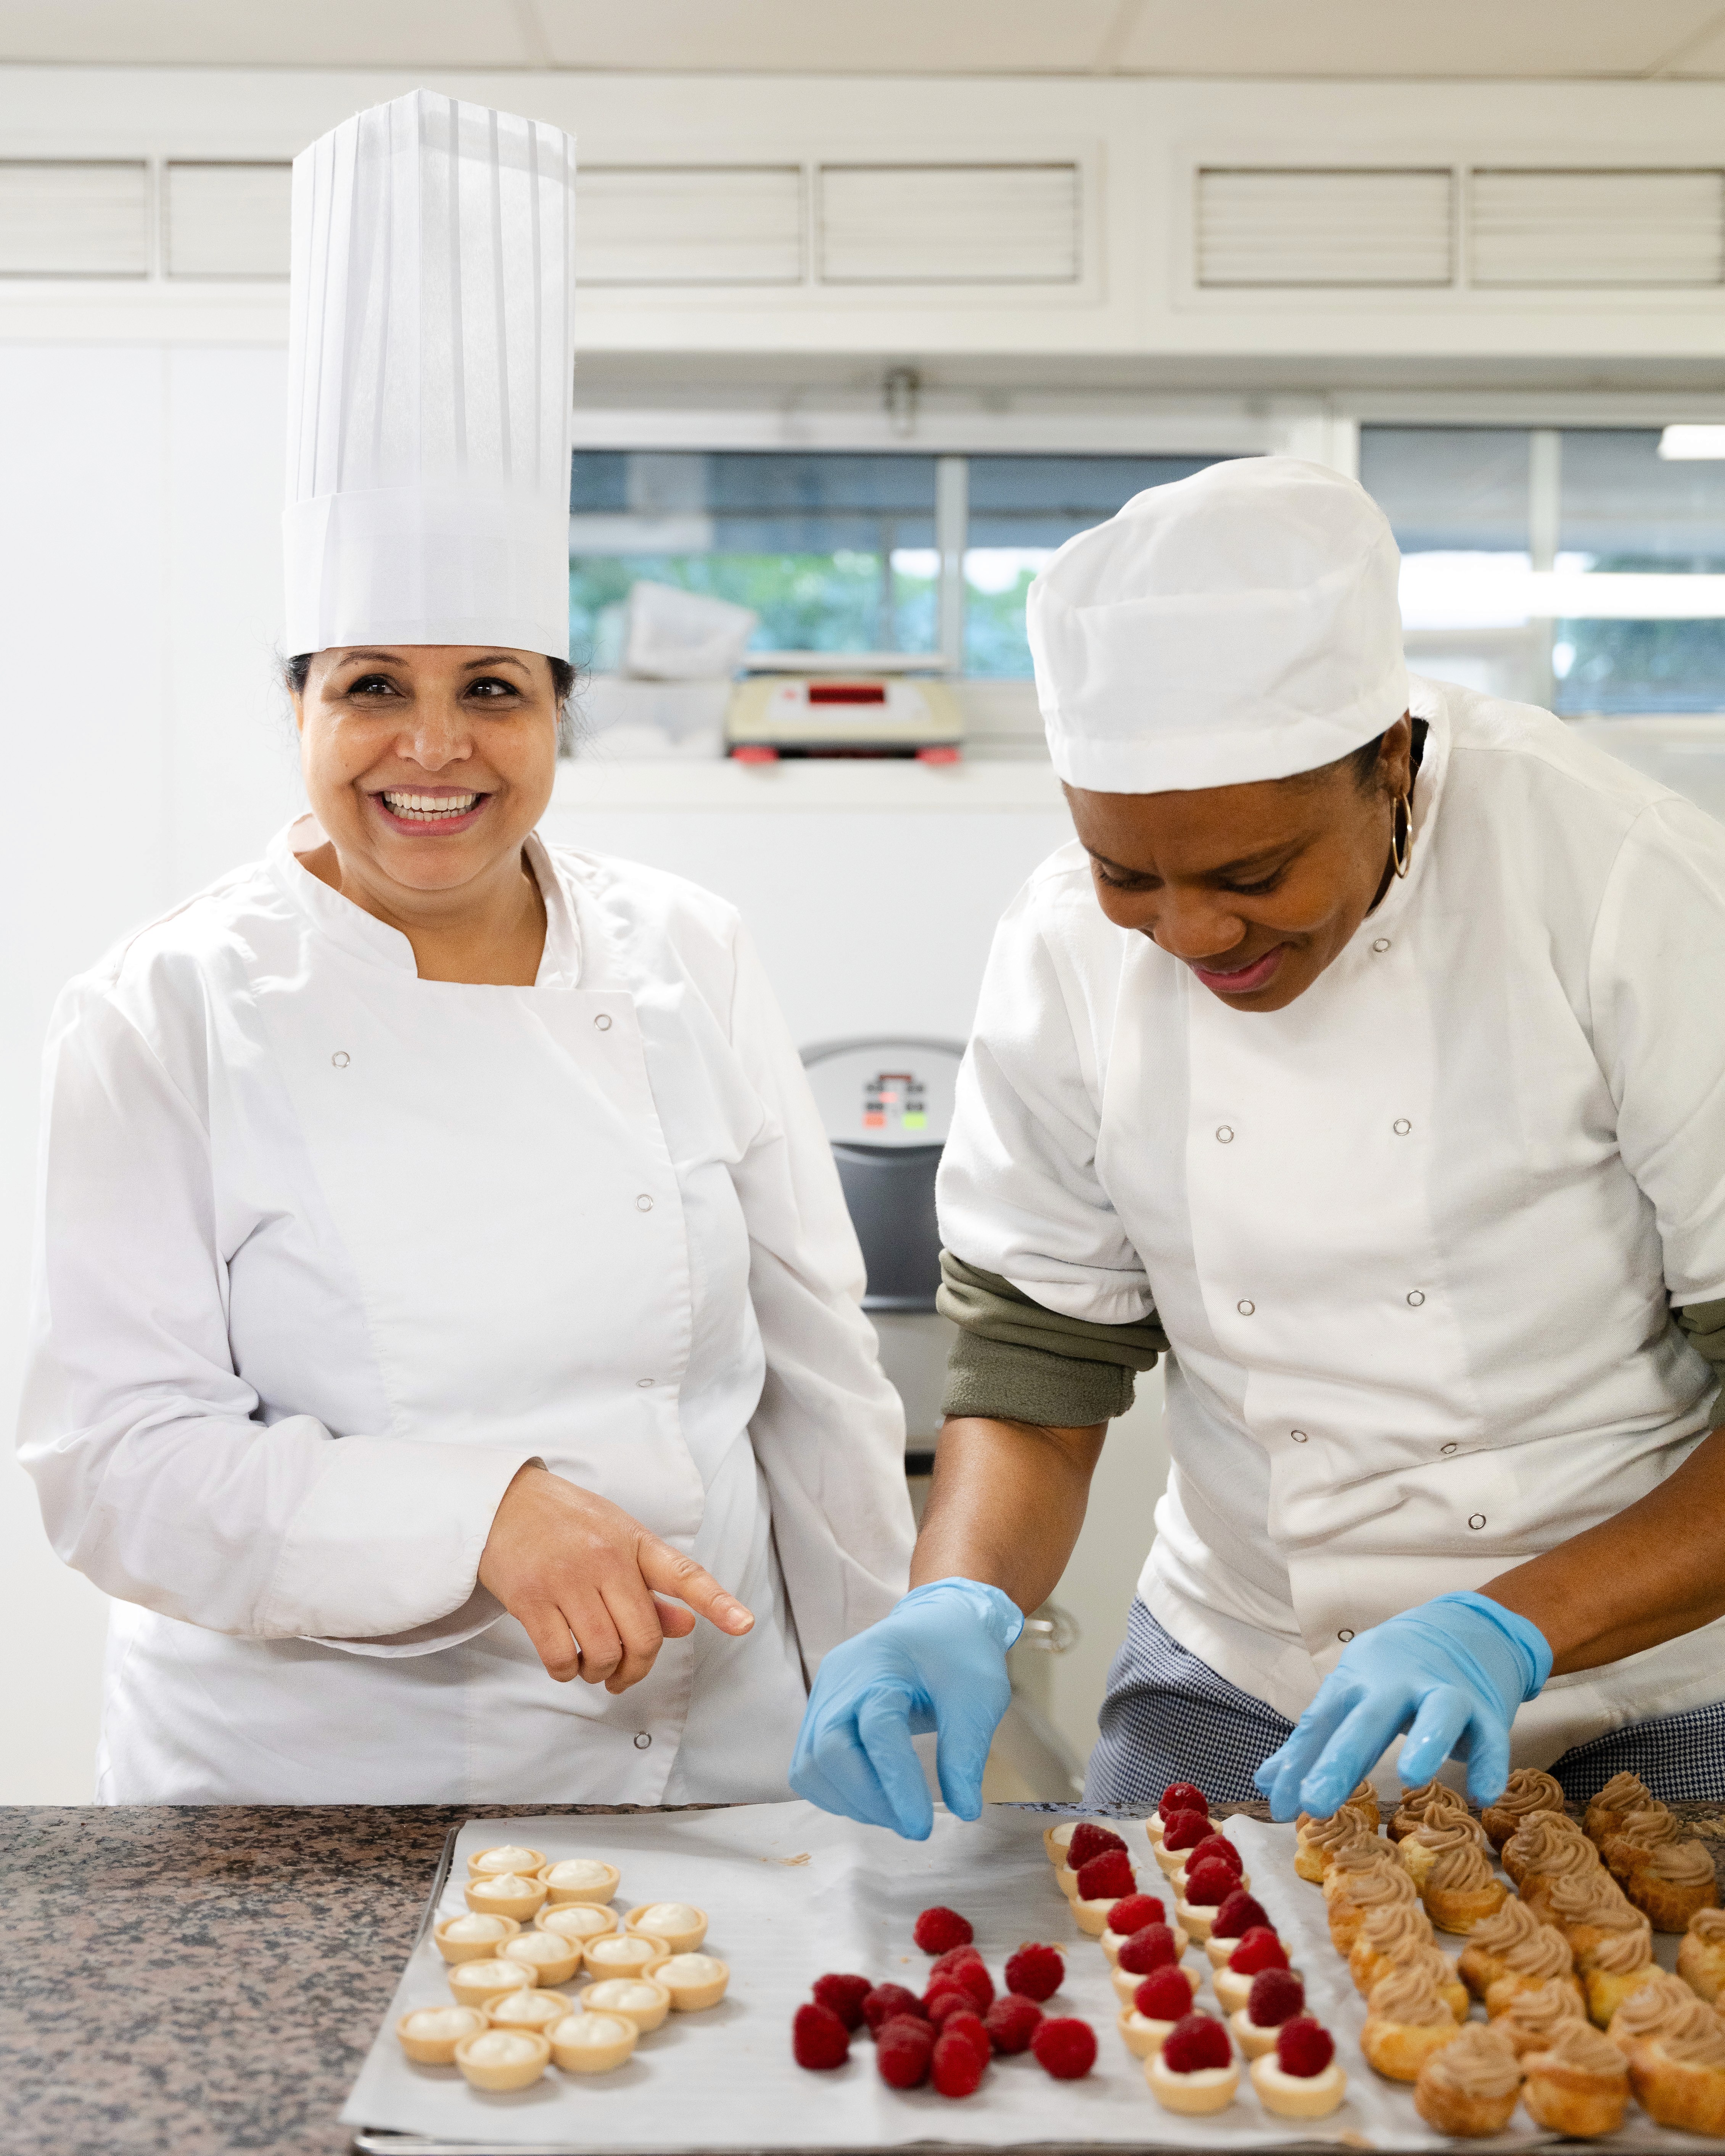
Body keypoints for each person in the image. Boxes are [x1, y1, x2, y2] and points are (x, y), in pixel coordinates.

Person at [18, 89, 911, 1804]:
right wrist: (475, 1513)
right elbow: (113, 1466)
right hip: (316, 1796)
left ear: (559, 710)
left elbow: (816, 1380)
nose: (434, 751)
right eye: (372, 689)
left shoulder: (689, 952)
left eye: (490, 689)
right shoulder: (166, 1010)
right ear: (295, 710)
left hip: (704, 1761)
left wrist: (871, 1672)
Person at [791, 455, 1725, 1838]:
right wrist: (958, 1594)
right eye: (1128, 874)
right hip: (1237, 1668)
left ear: (1390, 762)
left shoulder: (1618, 883)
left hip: (1638, 1667)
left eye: (1251, 875)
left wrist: (1506, 1623)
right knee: (1150, 2018)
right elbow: (1040, 1361)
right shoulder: (1058, 940)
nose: (1190, 935)